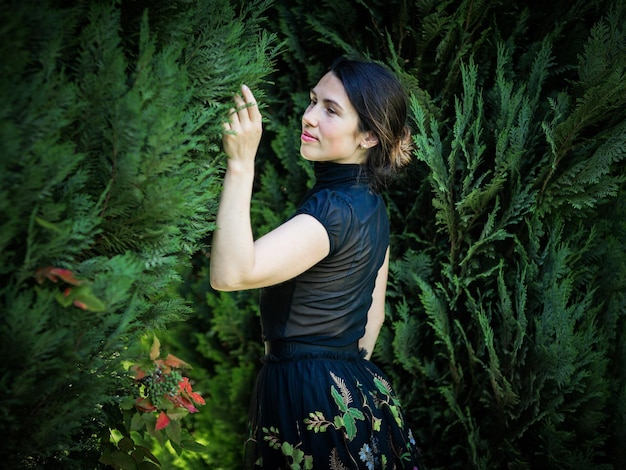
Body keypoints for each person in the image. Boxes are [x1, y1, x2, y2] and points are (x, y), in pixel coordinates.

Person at [211, 57, 422, 469]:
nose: (308, 117)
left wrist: (240, 163)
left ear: (368, 137)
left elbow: (230, 274)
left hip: (307, 393)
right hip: (358, 394)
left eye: (330, 110)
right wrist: (339, 386)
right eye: (313, 101)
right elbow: (372, 319)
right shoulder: (372, 207)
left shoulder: (333, 210)